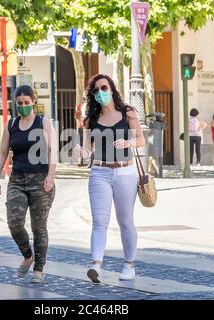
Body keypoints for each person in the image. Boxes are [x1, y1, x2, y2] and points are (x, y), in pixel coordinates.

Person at [74, 74, 145, 283]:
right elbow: (88, 149)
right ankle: (96, 265)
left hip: (125, 172)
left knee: (125, 222)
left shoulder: (128, 113)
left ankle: (129, 265)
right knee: (99, 222)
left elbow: (141, 138)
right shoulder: (92, 120)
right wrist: (81, 152)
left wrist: (128, 144)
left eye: (103, 88)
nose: (100, 93)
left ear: (112, 89)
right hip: (99, 172)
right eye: (95, 91)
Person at [0, 85, 57, 283]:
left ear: (34, 102)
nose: (23, 106)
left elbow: (54, 150)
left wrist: (51, 176)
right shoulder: (11, 125)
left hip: (41, 179)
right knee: (14, 222)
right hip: (17, 180)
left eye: (27, 103)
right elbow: (3, 153)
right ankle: (28, 255)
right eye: (19, 103)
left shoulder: (44, 123)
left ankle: (39, 269)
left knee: (39, 227)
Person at [74, 95, 88, 165]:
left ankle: (83, 160)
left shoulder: (89, 106)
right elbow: (76, 117)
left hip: (86, 127)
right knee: (81, 144)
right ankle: (81, 160)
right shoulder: (79, 106)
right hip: (82, 127)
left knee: (85, 144)